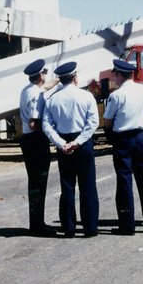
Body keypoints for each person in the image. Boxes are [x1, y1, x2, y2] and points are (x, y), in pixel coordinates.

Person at [41, 61, 100, 237]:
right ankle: (90, 227)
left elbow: (46, 125)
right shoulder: (86, 96)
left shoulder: (52, 99)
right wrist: (78, 142)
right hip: (82, 143)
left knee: (67, 186)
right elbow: (93, 122)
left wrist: (61, 143)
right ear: (75, 77)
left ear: (60, 79)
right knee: (87, 186)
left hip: (64, 143)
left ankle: (69, 227)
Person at [103, 58, 143, 235]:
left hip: (124, 139)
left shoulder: (116, 95)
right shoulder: (142, 89)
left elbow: (108, 122)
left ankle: (127, 225)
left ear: (119, 74)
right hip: (141, 136)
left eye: (115, 74)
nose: (114, 78)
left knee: (124, 180)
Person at [18, 58, 57, 237]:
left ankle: (36, 223)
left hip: (28, 139)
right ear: (41, 74)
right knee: (38, 184)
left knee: (35, 183)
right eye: (46, 72)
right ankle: (37, 225)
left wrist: (57, 80)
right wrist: (50, 132)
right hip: (36, 139)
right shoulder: (36, 95)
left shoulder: (28, 90)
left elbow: (44, 87)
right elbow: (34, 123)